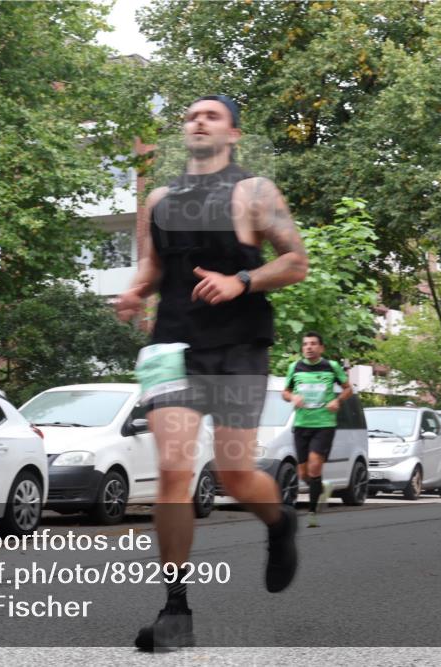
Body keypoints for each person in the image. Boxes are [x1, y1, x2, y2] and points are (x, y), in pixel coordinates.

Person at [116, 94, 308, 651]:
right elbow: (152, 265)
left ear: (233, 134)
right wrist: (135, 291)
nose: (198, 121)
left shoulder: (254, 192)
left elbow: (295, 262)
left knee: (233, 474)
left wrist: (240, 282)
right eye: (191, 116)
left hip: (238, 344)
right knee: (174, 470)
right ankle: (175, 610)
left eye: (212, 116)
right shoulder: (159, 199)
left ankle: (280, 521)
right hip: (172, 345)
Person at [282, 331, 352, 527]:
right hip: (301, 424)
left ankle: (312, 514)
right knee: (303, 473)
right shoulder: (295, 367)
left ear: (321, 348)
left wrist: (337, 401)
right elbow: (285, 392)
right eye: (305, 344)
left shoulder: (331, 366)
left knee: (314, 466)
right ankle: (322, 486)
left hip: (324, 424)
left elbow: (348, 389)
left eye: (313, 344)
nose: (309, 347)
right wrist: (293, 397)